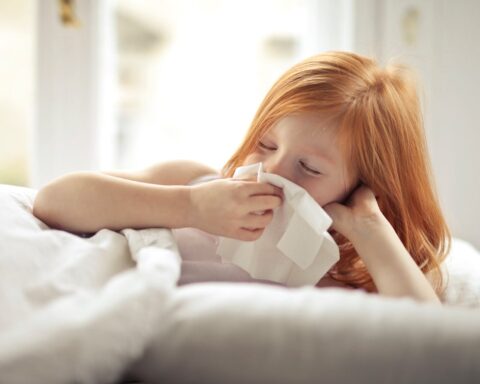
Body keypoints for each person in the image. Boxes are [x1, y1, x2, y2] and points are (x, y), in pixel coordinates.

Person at [33, 51, 450, 304]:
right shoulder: (193, 183)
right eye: (266, 144)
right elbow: (54, 200)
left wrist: (370, 228)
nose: (271, 170)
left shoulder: (341, 272)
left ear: (362, 186)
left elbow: (430, 344)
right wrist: (189, 207)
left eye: (309, 168)